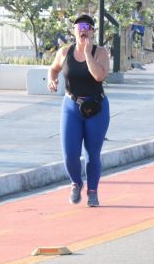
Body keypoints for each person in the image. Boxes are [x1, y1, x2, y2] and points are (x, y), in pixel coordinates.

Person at [47, 14, 111, 207]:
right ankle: (76, 182)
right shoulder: (64, 52)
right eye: (79, 26)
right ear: (73, 31)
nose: (83, 29)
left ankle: (92, 191)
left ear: (92, 32)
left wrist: (87, 53)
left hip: (96, 108)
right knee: (70, 154)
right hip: (71, 106)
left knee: (92, 153)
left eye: (88, 27)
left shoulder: (100, 53)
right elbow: (54, 68)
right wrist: (52, 79)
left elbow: (99, 76)